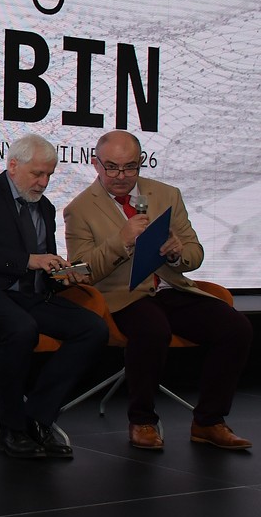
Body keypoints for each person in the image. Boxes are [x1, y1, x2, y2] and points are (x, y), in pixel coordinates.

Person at [63, 130, 252, 450]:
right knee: (152, 329)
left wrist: (177, 253)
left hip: (170, 287)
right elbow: (83, 272)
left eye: (130, 167)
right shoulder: (79, 209)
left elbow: (195, 254)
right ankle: (142, 421)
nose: (121, 176)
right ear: (95, 163)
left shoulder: (166, 195)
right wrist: (121, 241)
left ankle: (209, 421)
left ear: (141, 162)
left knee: (237, 328)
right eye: (112, 167)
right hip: (122, 295)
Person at [0, 134, 107, 459]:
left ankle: (38, 418)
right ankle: (11, 429)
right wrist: (28, 260)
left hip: (30, 294)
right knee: (21, 328)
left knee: (93, 328)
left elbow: (45, 265)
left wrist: (64, 275)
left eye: (49, 175)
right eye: (37, 174)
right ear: (13, 166)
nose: (44, 182)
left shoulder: (45, 208)